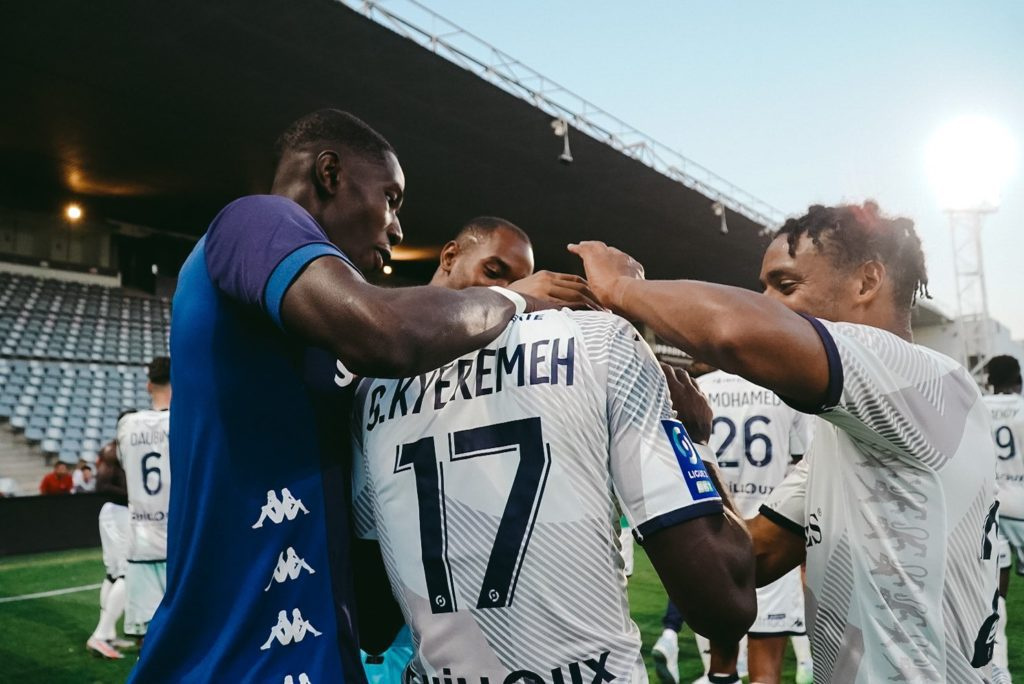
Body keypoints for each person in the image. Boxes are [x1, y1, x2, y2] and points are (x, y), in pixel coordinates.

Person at [129, 109, 592, 683]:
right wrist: (515, 299)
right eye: (391, 198)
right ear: (330, 174)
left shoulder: (311, 346)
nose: (397, 226)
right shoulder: (256, 220)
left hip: (320, 651)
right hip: (234, 659)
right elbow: (387, 333)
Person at [569, 201, 1000, 682]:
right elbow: (746, 563)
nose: (769, 302)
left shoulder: (922, 379)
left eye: (786, 284)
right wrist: (697, 446)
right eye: (763, 288)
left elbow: (736, 330)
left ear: (867, 281)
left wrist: (623, 288)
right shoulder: (854, 435)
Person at [352, 304, 757, 681]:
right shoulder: (601, 341)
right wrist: (697, 444)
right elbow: (725, 607)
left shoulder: (373, 389)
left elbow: (373, 625)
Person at [653, 369, 815, 684]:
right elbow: (801, 464)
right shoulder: (783, 385)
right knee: (765, 671)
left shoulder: (698, 387)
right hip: (772, 536)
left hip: (715, 540)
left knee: (721, 670)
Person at [119, 356, 172, 641]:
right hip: (179, 541)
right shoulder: (182, 422)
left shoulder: (127, 424)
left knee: (147, 641)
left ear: (148, 385)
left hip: (140, 542)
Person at [984, 354, 1023, 680]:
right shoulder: (1023, 407)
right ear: (1018, 377)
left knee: (997, 582)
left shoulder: (976, 406)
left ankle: (998, 665)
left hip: (992, 506)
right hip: (1023, 505)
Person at [87, 441, 132, 659]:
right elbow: (102, 485)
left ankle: (108, 633)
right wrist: (134, 493)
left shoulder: (119, 449)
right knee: (127, 573)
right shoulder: (113, 450)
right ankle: (101, 635)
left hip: (116, 512)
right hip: (118, 512)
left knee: (113, 574)